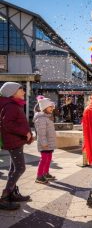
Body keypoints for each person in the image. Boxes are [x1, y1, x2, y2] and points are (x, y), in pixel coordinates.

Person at [0, 82, 33, 210]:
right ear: (12, 92)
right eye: (21, 90)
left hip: (16, 140)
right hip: (14, 141)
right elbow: (8, 124)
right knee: (20, 168)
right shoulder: (10, 106)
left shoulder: (13, 105)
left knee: (14, 168)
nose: (24, 92)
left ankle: (12, 193)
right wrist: (25, 132)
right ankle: (4, 197)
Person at [33, 98, 57, 184]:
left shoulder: (47, 117)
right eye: (50, 106)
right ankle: (39, 176)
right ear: (44, 107)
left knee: (48, 158)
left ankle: (45, 173)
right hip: (44, 143)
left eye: (52, 106)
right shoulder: (41, 118)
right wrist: (44, 143)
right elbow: (41, 133)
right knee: (44, 159)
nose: (52, 108)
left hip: (48, 143)